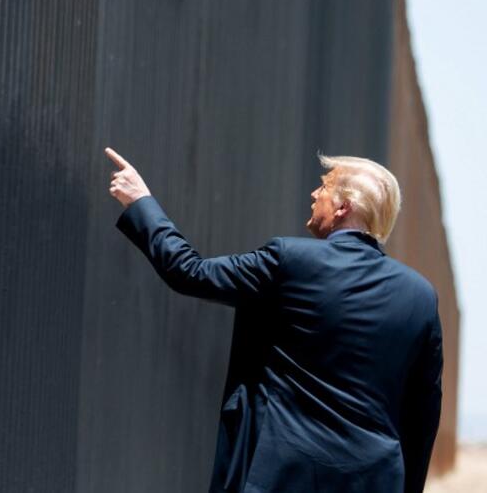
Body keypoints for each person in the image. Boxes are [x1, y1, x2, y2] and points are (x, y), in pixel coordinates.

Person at [105, 147, 442, 493]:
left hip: (282, 475)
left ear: (344, 207)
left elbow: (191, 272)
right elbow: (423, 416)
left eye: (324, 187)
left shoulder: (290, 260)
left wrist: (140, 201)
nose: (314, 194)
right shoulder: (421, 297)